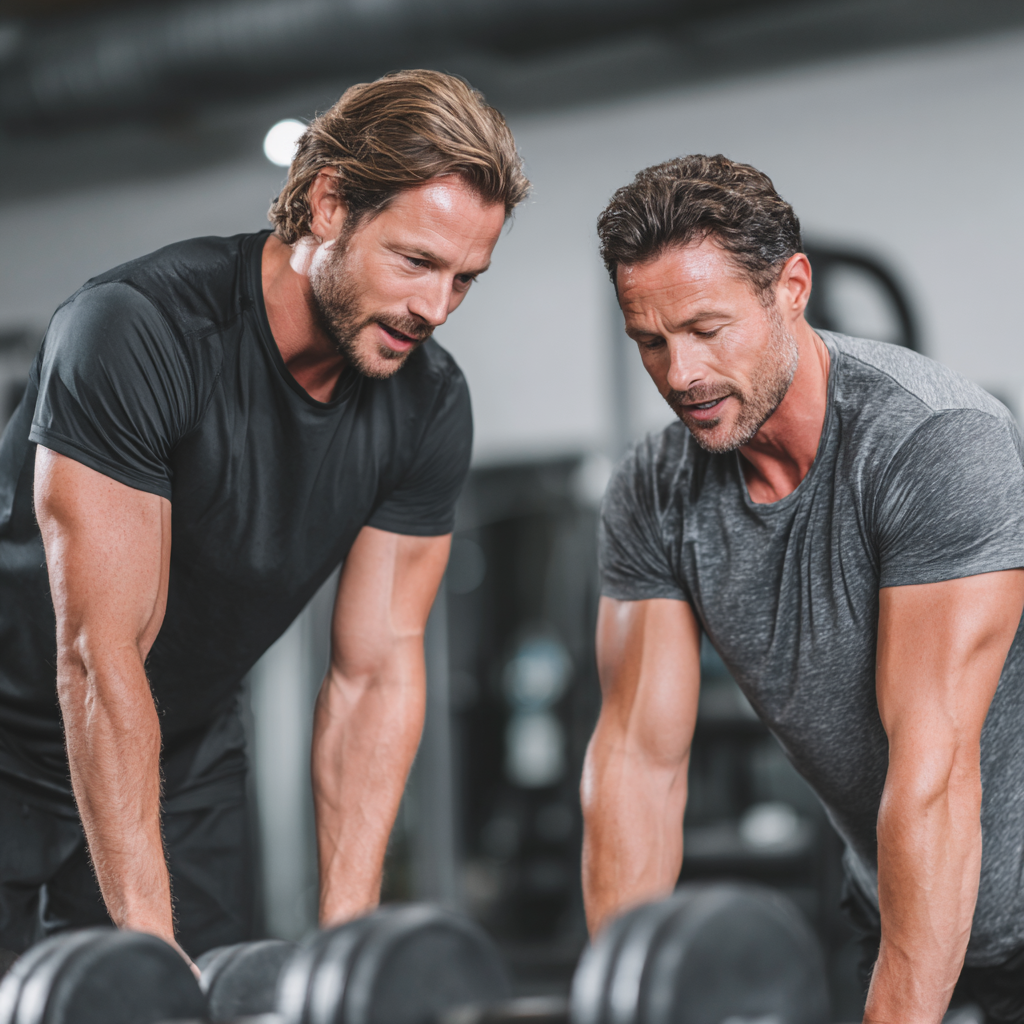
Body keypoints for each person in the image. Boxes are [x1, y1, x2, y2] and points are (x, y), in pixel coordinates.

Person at [0, 69, 529, 963]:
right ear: (328, 204)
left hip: (184, 757)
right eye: (415, 262)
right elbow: (99, 658)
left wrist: (345, 951)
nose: (435, 309)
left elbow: (374, 677)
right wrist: (146, 959)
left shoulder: (429, 406)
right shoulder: (138, 331)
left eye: (464, 279)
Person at [581, 154, 1024, 1024]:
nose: (681, 375)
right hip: (898, 909)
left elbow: (933, 778)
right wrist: (623, 1001)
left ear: (791, 287)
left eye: (708, 329)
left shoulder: (936, 447)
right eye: (651, 341)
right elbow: (637, 764)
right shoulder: (655, 490)